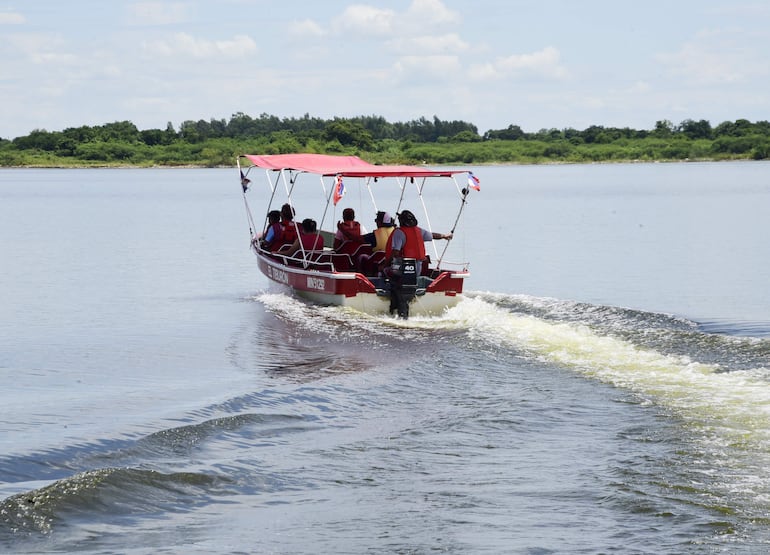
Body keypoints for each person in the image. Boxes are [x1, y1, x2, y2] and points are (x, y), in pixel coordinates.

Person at [379, 209, 452, 278]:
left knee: (384, 270)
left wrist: (385, 265)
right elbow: (433, 235)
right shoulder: (419, 231)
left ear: (402, 221)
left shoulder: (399, 233)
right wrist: (444, 236)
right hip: (417, 271)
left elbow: (395, 253)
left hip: (401, 270)